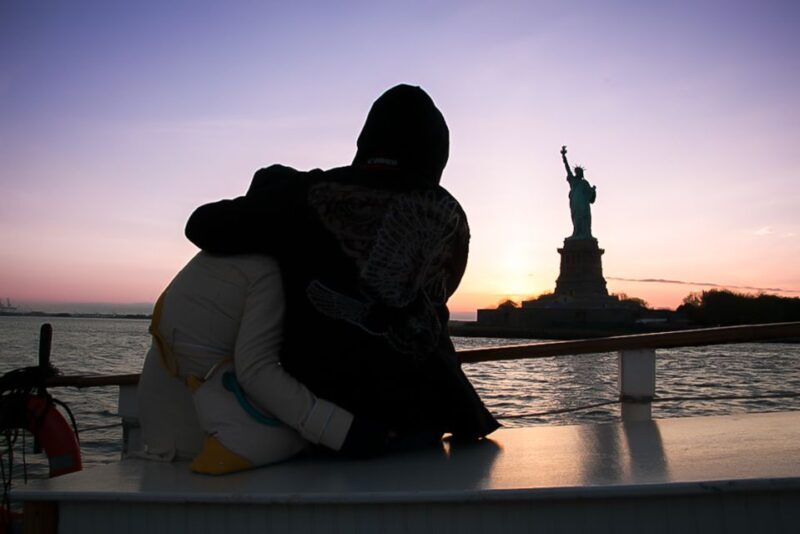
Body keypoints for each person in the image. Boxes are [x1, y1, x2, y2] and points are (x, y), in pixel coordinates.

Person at [185, 84, 499, 450]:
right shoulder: (452, 217)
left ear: (365, 141)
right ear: (436, 156)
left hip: (341, 424)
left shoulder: (307, 193)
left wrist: (273, 191)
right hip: (431, 419)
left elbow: (201, 225)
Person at [136, 252, 362, 473]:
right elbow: (256, 371)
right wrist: (346, 433)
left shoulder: (217, 256)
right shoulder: (266, 269)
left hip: (160, 429)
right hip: (197, 440)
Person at [561, 145, 596, 240]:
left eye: (580, 172)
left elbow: (591, 197)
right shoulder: (573, 181)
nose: (578, 173)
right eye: (577, 171)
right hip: (575, 203)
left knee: (585, 218)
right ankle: (576, 233)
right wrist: (564, 157)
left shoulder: (585, 183)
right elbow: (567, 169)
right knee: (576, 219)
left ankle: (585, 234)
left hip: (584, 204)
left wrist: (593, 190)